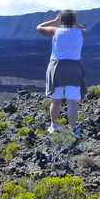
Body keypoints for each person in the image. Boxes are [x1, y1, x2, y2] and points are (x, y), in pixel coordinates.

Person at [37, 10, 86, 138]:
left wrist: (55, 21)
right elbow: (83, 28)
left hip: (57, 67)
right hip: (74, 68)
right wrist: (74, 23)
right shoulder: (80, 32)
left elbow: (39, 28)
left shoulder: (55, 30)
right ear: (74, 21)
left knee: (56, 100)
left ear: (61, 20)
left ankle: (53, 126)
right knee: (72, 101)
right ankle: (73, 129)